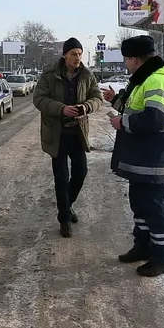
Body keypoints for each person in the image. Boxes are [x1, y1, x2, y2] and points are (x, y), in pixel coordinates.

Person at [102, 35, 164, 277]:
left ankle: (162, 256)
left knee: (155, 208)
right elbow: (139, 108)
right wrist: (116, 101)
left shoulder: (158, 80)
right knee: (140, 204)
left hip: (153, 157)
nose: (126, 64)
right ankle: (143, 246)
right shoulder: (145, 78)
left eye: (126, 60)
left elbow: (156, 117)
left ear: (134, 59)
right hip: (142, 156)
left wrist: (122, 122)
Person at [33, 37, 103, 238]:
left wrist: (85, 107)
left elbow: (97, 98)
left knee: (80, 173)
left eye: (80, 54)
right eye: (73, 54)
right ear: (65, 55)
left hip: (78, 133)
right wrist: (62, 109)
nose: (77, 58)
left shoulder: (87, 75)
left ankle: (67, 206)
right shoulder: (49, 75)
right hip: (57, 134)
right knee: (61, 178)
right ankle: (64, 218)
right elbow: (38, 99)